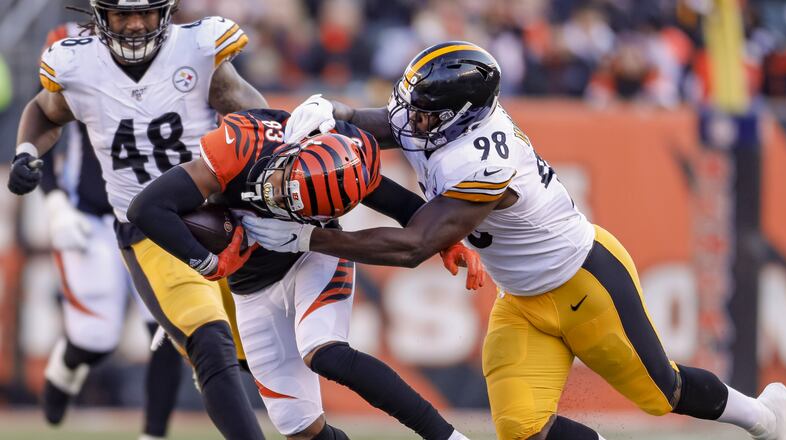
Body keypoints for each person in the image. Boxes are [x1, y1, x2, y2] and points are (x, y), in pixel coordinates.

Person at [243, 41, 786, 440]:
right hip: (522, 299)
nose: (412, 119)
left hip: (584, 284)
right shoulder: (445, 124)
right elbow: (387, 124)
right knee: (522, 430)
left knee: (661, 392)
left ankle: (765, 417)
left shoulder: (481, 160)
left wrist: (309, 239)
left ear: (460, 118)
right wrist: (334, 113)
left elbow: (414, 246)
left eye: (426, 113)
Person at [126, 107, 483, 440]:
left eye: (292, 205)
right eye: (286, 186)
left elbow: (405, 207)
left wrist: (445, 242)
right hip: (251, 286)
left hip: (311, 258)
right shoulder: (241, 146)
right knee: (300, 428)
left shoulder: (349, 164)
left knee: (324, 351)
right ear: (291, 152)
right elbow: (146, 208)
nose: (276, 197)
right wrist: (209, 263)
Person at [7, 1, 268, 438]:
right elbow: (44, 111)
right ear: (100, 15)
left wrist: (274, 158)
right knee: (205, 342)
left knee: (267, 353)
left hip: (214, 217)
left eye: (145, 13)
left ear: (165, 12)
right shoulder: (77, 63)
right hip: (148, 230)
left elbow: (252, 113)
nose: (134, 25)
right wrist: (27, 152)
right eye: (121, 14)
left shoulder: (197, 48)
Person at [38, 21, 183, 440]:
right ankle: (67, 363)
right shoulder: (72, 46)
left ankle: (153, 434)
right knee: (95, 339)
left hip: (153, 218)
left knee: (170, 332)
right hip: (93, 214)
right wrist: (54, 201)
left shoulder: (176, 48)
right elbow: (41, 125)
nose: (134, 26)